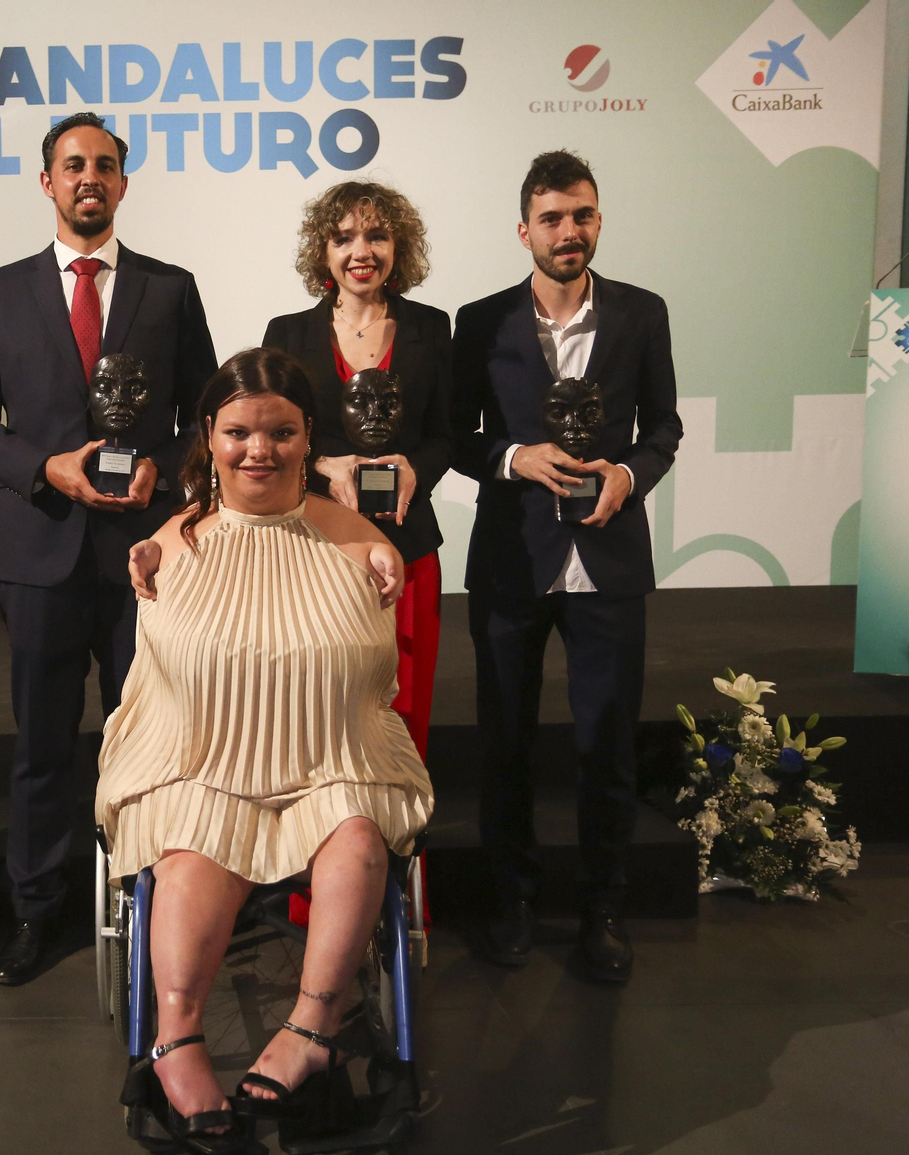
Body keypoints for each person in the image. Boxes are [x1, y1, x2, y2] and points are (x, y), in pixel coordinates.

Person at [101, 348, 433, 1152]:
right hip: (200, 755)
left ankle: (312, 1030)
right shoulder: (178, 539)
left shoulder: (350, 536)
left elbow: (362, 541)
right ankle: (175, 1042)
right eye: (239, 432)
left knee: (357, 838)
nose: (260, 450)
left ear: (308, 436)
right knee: (186, 853)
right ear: (208, 436)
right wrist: (152, 542)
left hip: (332, 751)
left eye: (281, 432)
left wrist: (381, 550)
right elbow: (173, 533)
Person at [0, 111, 218, 985]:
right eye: (73, 165)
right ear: (47, 182)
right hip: (39, 554)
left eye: (104, 165)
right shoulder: (1, 290)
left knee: (151, 738)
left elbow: (206, 424)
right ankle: (34, 907)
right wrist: (46, 468)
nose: (88, 178)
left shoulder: (170, 289)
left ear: (124, 183)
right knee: (42, 745)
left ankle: (150, 904)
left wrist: (166, 477)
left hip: (146, 557)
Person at [450, 151, 682, 982]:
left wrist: (627, 474)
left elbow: (665, 424)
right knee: (504, 743)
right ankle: (512, 896)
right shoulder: (479, 321)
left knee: (605, 746)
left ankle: (603, 905)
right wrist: (514, 457)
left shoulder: (641, 313)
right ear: (525, 230)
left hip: (609, 563)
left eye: (581, 214)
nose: (568, 231)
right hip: (513, 560)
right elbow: (457, 436)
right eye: (551, 218)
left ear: (598, 220)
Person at [263, 180, 452, 759]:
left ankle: (404, 845)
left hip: (410, 550)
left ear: (400, 247)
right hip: (317, 549)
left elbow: (447, 436)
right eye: (344, 238)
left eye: (376, 235)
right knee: (322, 708)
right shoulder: (287, 334)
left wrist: (417, 468)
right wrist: (321, 464)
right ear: (323, 251)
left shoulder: (431, 327)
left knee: (406, 707)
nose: (361, 251)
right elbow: (267, 438)